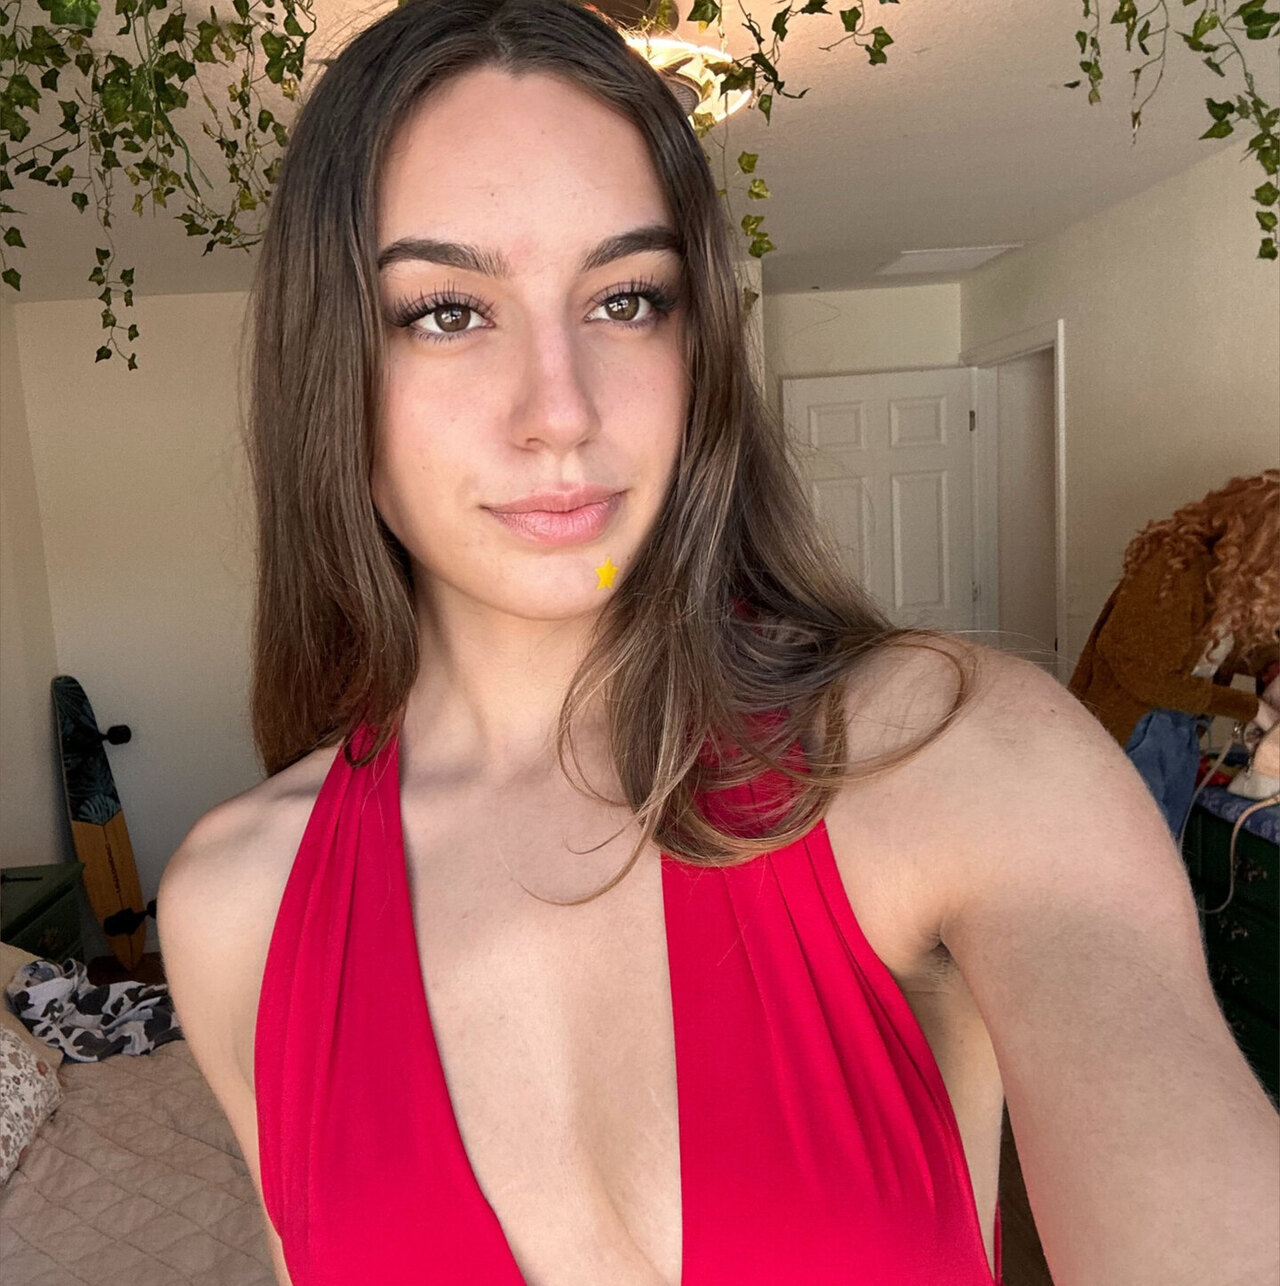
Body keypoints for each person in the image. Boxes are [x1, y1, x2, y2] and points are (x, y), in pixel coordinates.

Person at [155, 2, 1280, 1283]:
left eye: (626, 298)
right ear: (328, 366)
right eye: (447, 311)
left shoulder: (951, 754)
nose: (560, 411)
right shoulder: (233, 908)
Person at [1069, 471, 1280, 836]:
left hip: (1181, 722)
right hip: (1136, 725)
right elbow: (1146, 675)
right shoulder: (1174, 569)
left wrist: (1270, 667)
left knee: (1166, 844)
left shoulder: (1228, 581)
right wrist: (1254, 709)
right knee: (1133, 845)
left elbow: (1210, 650)